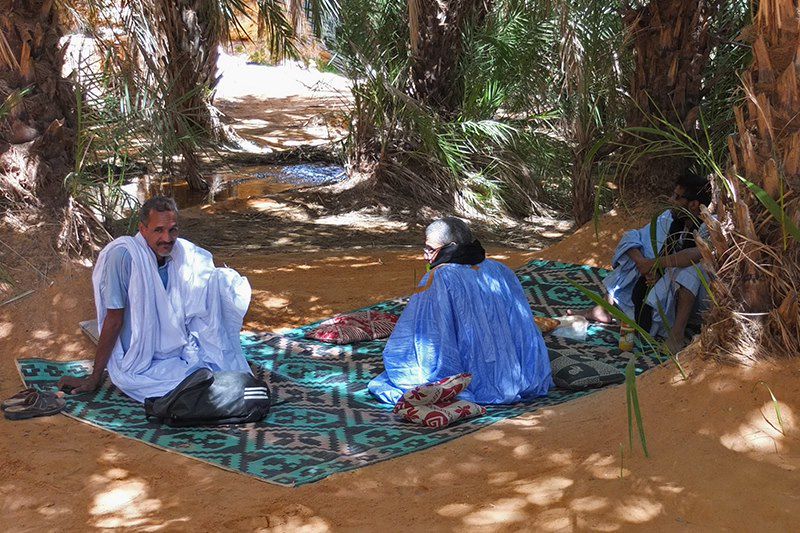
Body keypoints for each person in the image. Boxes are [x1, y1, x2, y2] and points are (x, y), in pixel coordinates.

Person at [57, 196, 252, 402]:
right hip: (139, 361)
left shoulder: (180, 254)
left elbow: (204, 289)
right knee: (202, 389)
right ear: (143, 229)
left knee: (212, 378)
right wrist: (95, 377)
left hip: (177, 353)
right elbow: (114, 319)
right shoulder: (123, 256)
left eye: (172, 230)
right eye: (159, 230)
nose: (167, 238)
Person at [368, 217, 553, 405]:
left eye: (430, 249)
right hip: (518, 376)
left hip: (469, 375)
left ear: (452, 246)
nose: (425, 256)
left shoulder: (440, 276)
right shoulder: (500, 269)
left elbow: (427, 333)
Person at [572, 171, 713, 353]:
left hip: (698, 298)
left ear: (694, 204)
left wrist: (656, 265)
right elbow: (633, 236)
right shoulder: (670, 219)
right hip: (665, 280)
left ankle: (677, 335)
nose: (671, 200)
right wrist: (643, 263)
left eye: (677, 197)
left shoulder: (710, 224)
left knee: (693, 270)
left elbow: (696, 253)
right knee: (634, 256)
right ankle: (606, 308)